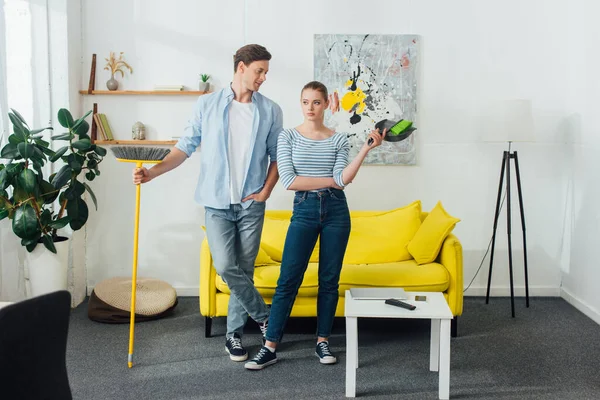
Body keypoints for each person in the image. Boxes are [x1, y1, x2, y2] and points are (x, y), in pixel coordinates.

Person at [132, 44, 283, 362]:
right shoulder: (208, 105)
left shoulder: (270, 110)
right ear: (241, 67)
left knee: (244, 269)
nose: (263, 78)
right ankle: (267, 317)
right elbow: (184, 147)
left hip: (251, 203)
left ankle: (234, 336)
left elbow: (277, 156)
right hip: (216, 204)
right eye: (259, 71)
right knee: (228, 266)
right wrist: (153, 173)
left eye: (266, 72)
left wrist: (267, 191)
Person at [244, 81, 385, 370]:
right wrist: (331, 180)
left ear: (325, 105)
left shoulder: (339, 139)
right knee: (288, 280)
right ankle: (270, 346)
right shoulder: (288, 137)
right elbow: (289, 181)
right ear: (301, 104)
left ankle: (322, 342)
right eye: (306, 102)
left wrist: (365, 151)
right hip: (305, 209)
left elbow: (344, 179)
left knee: (329, 281)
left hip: (336, 211)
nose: (310, 108)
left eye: (316, 102)